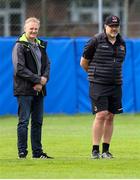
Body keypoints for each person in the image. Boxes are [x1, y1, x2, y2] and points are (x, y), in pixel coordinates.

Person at [80, 15, 126, 159]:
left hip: (116, 84)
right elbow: (83, 62)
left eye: (116, 26)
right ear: (105, 26)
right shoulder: (95, 40)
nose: (114, 28)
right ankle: (95, 150)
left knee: (111, 116)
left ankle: (106, 150)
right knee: (101, 115)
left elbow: (120, 62)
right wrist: (95, 75)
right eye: (111, 26)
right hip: (98, 84)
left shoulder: (121, 42)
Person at [12, 17, 53, 159]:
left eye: (36, 29)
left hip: (39, 89)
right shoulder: (20, 46)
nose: (34, 31)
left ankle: (38, 153)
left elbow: (47, 64)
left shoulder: (41, 45)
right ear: (25, 29)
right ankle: (22, 152)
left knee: (38, 122)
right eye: (31, 29)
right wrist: (37, 80)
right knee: (24, 121)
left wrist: (43, 81)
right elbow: (19, 69)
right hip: (24, 90)